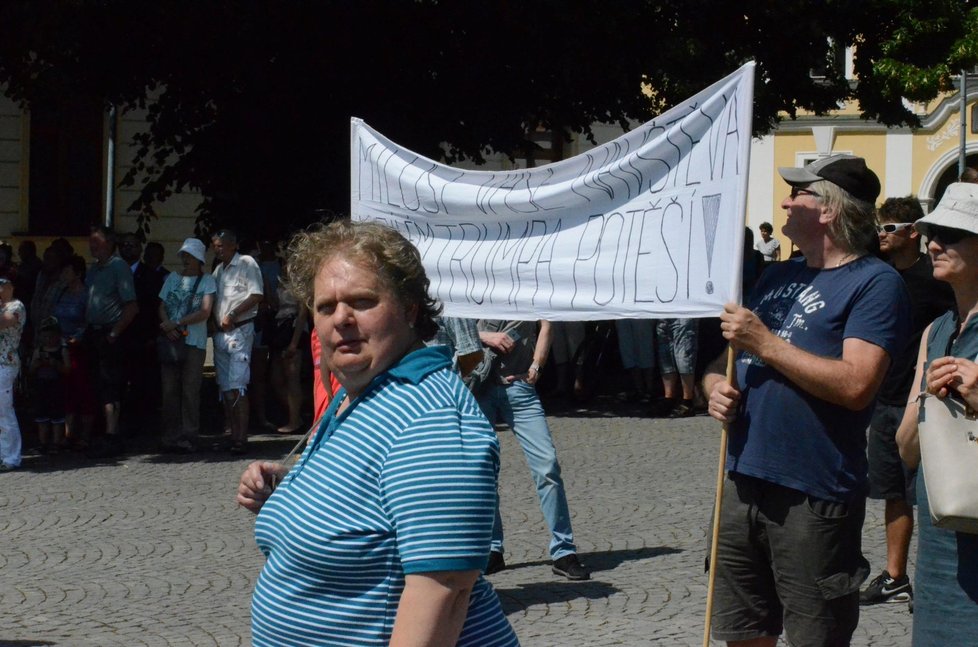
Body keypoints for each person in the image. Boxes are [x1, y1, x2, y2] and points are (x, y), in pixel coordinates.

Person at [236, 221, 518, 646]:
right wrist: (290, 491)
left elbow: (444, 588)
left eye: (363, 302)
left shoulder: (429, 418)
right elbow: (364, 513)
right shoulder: (361, 396)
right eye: (326, 307)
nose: (341, 319)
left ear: (408, 309)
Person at [703, 153, 910, 646]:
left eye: (797, 193)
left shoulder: (875, 284)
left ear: (829, 210)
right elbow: (719, 363)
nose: (784, 201)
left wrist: (766, 344)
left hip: (813, 492)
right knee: (742, 631)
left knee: (816, 636)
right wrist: (714, 389)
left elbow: (857, 386)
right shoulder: (777, 277)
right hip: (742, 479)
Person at [860, 197, 955, 607]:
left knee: (937, 492)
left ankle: (939, 578)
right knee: (893, 492)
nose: (881, 235)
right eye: (879, 228)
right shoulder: (877, 277)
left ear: (913, 232)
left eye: (890, 228)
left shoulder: (935, 280)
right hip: (886, 399)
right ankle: (896, 576)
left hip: (926, 400)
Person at [896, 182, 978, 645]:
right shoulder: (936, 331)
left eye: (951, 233)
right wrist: (927, 399)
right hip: (940, 547)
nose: (933, 243)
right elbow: (907, 451)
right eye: (931, 231)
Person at [473, 318, 590, 580]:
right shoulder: (473, 282)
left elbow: (546, 324)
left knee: (547, 465)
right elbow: (451, 326)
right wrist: (485, 336)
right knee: (482, 470)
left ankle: (563, 551)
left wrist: (536, 367)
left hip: (520, 389)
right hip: (479, 387)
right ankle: (492, 549)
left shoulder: (525, 281)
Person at [157, 238, 216, 453]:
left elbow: (205, 311)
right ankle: (170, 436)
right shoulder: (172, 278)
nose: (185, 259)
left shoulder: (207, 281)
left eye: (190, 256)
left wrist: (178, 322)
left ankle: (190, 434)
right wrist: (167, 326)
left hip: (194, 342)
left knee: (191, 390)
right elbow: (162, 306)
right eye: (184, 255)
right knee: (169, 390)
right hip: (172, 340)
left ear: (199, 259)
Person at [84, 225, 138, 458]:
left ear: (108, 243)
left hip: (110, 335)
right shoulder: (93, 269)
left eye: (95, 241)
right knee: (98, 384)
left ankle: (112, 435)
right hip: (93, 334)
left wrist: (114, 333)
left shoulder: (119, 267)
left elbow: (132, 306)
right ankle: (101, 432)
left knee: (111, 385)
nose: (91, 246)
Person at [211, 229, 264, 454]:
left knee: (238, 386)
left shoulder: (246, 262)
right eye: (215, 246)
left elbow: (256, 295)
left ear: (233, 245)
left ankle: (241, 437)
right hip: (221, 334)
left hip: (240, 331)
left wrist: (232, 314)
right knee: (225, 387)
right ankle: (231, 433)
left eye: (221, 245)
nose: (218, 250)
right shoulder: (218, 270)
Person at [52, 254, 95, 451]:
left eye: (67, 270)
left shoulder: (86, 294)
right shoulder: (61, 292)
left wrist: (77, 337)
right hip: (60, 347)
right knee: (66, 392)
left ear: (77, 273)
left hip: (79, 349)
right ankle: (68, 435)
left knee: (83, 391)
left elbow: (89, 320)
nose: (63, 274)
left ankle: (85, 435)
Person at [268, 268, 307, 434]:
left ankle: (294, 419)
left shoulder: (300, 286)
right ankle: (298, 412)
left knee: (292, 378)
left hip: (293, 331)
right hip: (280, 329)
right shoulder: (281, 282)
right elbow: (275, 305)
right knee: (275, 378)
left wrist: (294, 342)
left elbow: (302, 314)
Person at [29, 316, 70, 454]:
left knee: (57, 415)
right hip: (42, 386)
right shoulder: (38, 350)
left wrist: (55, 363)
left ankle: (56, 443)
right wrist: (38, 363)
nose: (48, 339)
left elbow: (68, 369)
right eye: (45, 336)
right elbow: (31, 369)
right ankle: (43, 443)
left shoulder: (62, 350)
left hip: (57, 386)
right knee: (42, 416)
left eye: (51, 336)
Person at [0, 276, 25, 470]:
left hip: (5, 364)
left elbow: (3, 322)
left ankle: (11, 457)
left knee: (4, 410)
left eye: (4, 285)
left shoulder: (16, 307)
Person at [652, 318, 699, 418]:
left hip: (684, 312)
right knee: (665, 354)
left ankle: (687, 401)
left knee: (684, 355)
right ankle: (669, 398)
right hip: (664, 312)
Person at [615, 319, 656, 403]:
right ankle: (639, 390)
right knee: (628, 351)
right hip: (622, 314)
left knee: (645, 349)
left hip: (641, 313)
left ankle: (650, 390)